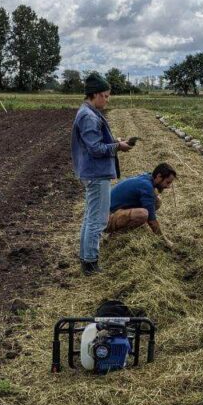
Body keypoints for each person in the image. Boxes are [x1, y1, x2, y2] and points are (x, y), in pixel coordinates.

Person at [71, 73, 133, 275]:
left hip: (93, 172)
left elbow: (97, 143)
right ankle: (90, 263)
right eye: (105, 96)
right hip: (96, 174)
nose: (107, 100)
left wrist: (115, 142)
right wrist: (117, 147)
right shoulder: (88, 116)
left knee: (91, 217)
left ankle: (86, 258)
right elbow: (95, 149)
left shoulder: (89, 112)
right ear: (95, 94)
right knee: (98, 220)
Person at [106, 163, 177, 248]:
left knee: (156, 201)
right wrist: (164, 240)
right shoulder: (146, 187)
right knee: (143, 214)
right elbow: (152, 221)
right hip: (105, 218)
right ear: (159, 176)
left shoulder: (148, 177)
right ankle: (115, 237)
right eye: (167, 182)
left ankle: (131, 223)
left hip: (111, 210)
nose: (168, 186)